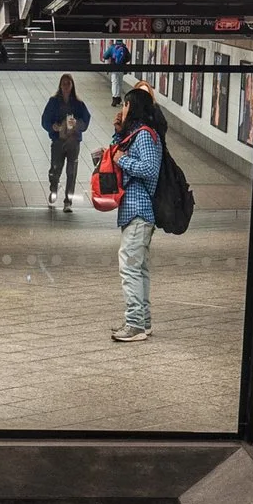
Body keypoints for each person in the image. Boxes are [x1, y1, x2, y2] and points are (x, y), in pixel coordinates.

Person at [108, 87, 164, 343]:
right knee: (138, 269)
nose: (122, 108)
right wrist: (118, 133)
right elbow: (116, 152)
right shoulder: (134, 134)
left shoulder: (145, 136)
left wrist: (122, 161)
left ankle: (135, 325)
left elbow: (150, 169)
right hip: (135, 212)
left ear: (134, 107)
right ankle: (143, 321)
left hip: (140, 210)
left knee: (130, 269)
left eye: (126, 105)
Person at [41, 74, 90, 214]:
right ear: (60, 85)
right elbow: (45, 119)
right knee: (55, 169)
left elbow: (85, 120)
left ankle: (68, 201)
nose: (66, 87)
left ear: (72, 85)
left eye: (68, 84)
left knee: (71, 171)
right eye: (64, 84)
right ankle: (53, 189)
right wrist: (52, 127)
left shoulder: (78, 104)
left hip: (73, 141)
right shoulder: (53, 102)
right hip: (58, 140)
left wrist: (78, 125)